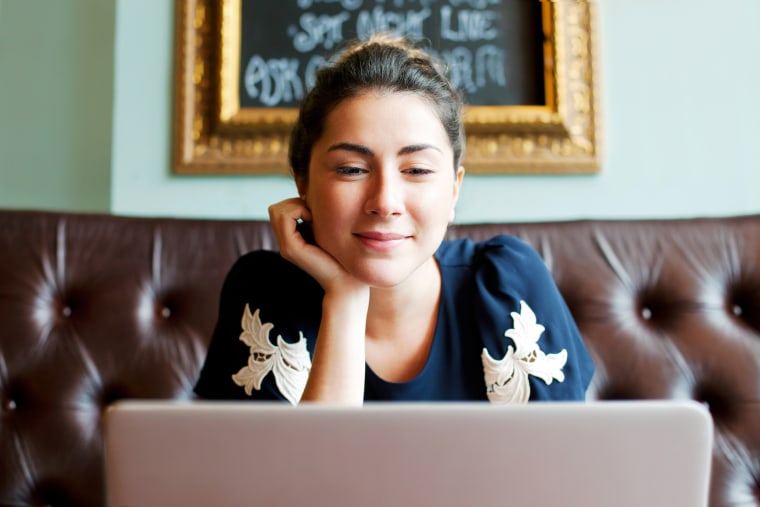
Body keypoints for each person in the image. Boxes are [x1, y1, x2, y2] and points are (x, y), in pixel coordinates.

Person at [194, 34, 594, 406]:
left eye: (417, 170)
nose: (385, 203)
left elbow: (564, 470)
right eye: (352, 169)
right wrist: (345, 299)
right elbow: (293, 479)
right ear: (303, 182)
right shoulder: (265, 292)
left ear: (454, 189)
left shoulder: (509, 283)